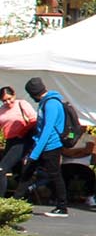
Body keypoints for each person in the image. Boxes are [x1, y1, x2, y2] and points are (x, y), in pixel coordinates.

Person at [22, 77, 73, 216]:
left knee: (55, 175)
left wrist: (34, 153)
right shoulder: (47, 102)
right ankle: (17, 202)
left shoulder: (50, 104)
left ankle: (62, 207)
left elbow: (47, 130)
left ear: (34, 94)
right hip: (44, 145)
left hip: (51, 146)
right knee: (27, 172)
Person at [0, 84, 34, 193]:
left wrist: (22, 131)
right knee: (17, 170)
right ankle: (22, 195)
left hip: (22, 140)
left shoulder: (22, 104)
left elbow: (34, 120)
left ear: (14, 95)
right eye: (4, 100)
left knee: (1, 169)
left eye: (10, 99)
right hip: (10, 141)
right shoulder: (2, 110)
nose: (8, 103)